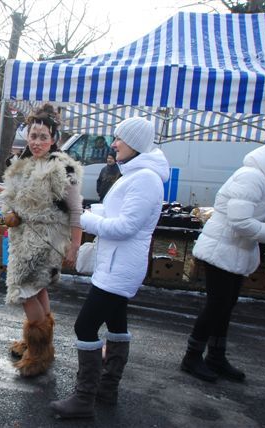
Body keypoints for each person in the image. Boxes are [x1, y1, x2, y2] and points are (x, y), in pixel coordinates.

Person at [50, 117, 170, 418]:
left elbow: (125, 227)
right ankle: (106, 388)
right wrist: (89, 210)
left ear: (136, 144)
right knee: (116, 325)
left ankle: (84, 399)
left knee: (85, 326)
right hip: (117, 263)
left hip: (120, 267)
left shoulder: (146, 179)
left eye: (119, 139)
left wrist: (82, 218)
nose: (113, 144)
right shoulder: (137, 173)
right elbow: (119, 213)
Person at [0, 103, 83, 377]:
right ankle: (38, 343)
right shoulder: (26, 164)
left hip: (45, 242)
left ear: (53, 139)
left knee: (23, 290)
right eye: (33, 136)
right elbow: (24, 196)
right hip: (23, 238)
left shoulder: (63, 168)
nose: (37, 142)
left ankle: (39, 355)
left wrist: (75, 245)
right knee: (38, 290)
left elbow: (76, 210)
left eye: (43, 137)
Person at [180, 143, 265, 383]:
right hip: (220, 248)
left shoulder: (264, 179)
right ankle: (192, 356)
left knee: (226, 305)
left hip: (236, 250)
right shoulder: (251, 177)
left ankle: (216, 356)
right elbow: (241, 221)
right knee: (217, 305)